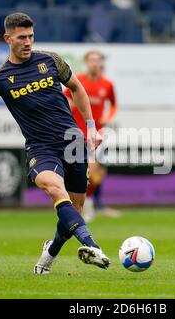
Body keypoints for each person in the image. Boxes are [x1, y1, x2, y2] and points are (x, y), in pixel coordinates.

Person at [0, 13, 110, 274]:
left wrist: (91, 128)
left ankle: (50, 252)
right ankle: (92, 245)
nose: (28, 41)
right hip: (40, 148)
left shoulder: (51, 60)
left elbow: (76, 88)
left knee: (75, 209)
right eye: (22, 37)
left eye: (31, 36)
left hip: (72, 142)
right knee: (54, 188)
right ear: (8, 39)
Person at [65, 50, 120, 223]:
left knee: (96, 172)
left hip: (95, 134)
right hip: (76, 132)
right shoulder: (78, 80)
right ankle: (82, 206)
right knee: (87, 170)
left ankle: (85, 206)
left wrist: (107, 117)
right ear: (86, 62)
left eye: (97, 60)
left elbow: (114, 105)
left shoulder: (107, 84)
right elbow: (65, 98)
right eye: (91, 60)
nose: (95, 64)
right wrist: (71, 106)